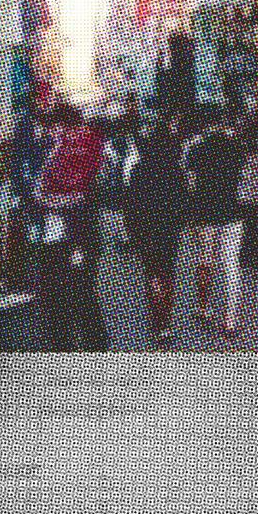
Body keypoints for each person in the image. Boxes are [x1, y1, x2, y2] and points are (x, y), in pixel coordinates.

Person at [32, 104, 109, 351]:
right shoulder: (51, 153)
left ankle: (95, 350)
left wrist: (52, 199)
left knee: (82, 298)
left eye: (54, 127)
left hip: (77, 239)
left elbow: (88, 197)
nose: (51, 132)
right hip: (51, 240)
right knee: (56, 303)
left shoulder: (84, 154)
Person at [122, 108, 190, 346]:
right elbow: (185, 201)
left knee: (151, 273)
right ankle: (166, 323)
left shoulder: (140, 169)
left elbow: (130, 203)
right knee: (169, 273)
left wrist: (132, 231)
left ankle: (156, 320)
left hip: (147, 228)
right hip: (169, 228)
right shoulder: (175, 169)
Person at [183, 111, 249, 336]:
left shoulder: (197, 149)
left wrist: (191, 215)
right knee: (231, 266)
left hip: (205, 214)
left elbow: (190, 186)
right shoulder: (237, 148)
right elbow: (244, 183)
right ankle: (230, 320)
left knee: (204, 261)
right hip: (233, 213)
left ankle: (203, 308)